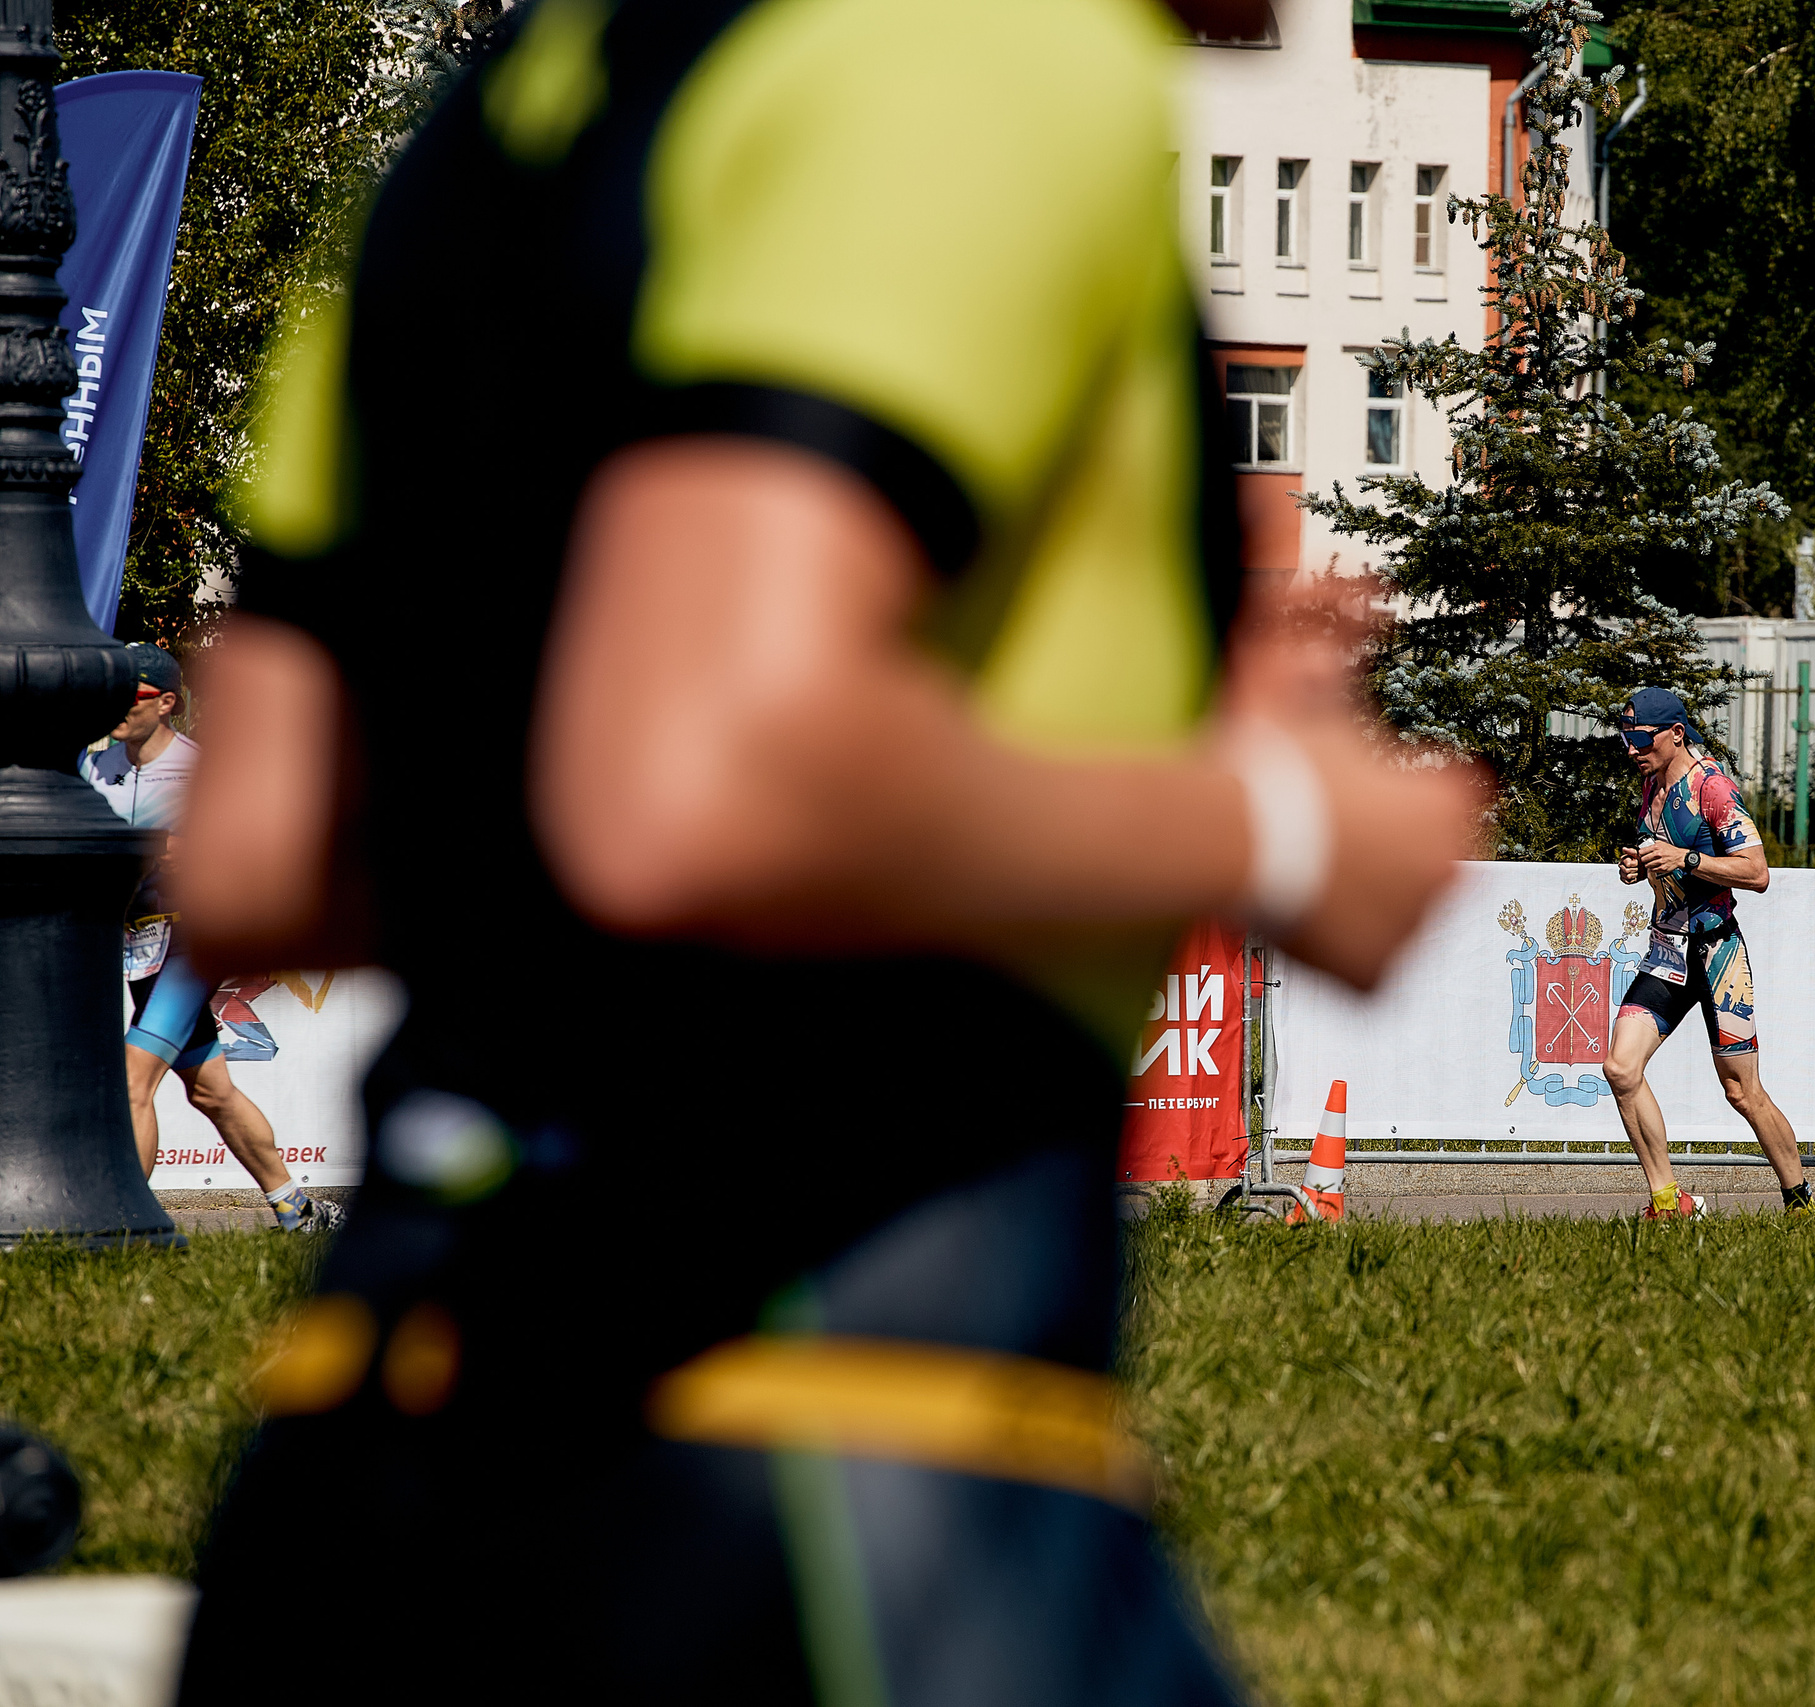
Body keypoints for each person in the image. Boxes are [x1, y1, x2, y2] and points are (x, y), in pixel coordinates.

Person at [168, 1, 1480, 1702]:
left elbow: (261, 855)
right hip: (822, 1474)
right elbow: (701, 782)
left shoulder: (494, 120)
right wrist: (1285, 820)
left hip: (357, 1465)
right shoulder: (981, 56)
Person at [78, 643, 336, 1234]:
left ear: (166, 703)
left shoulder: (201, 769)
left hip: (188, 947)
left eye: (132, 695)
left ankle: (126, 1231)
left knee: (130, 1080)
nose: (117, 706)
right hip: (137, 948)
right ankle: (298, 1209)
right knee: (211, 1091)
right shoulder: (94, 765)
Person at [1605, 686, 1815, 1222]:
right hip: (1667, 952)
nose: (1632, 748)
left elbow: (1757, 872)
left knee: (1742, 1092)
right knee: (1620, 1068)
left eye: (1642, 737)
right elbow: (1667, 864)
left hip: (1716, 955)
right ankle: (1670, 1201)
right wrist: (1639, 867)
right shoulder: (1650, 785)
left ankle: (1802, 1204)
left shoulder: (1712, 789)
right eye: (1626, 737)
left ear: (1676, 734)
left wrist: (1683, 856)